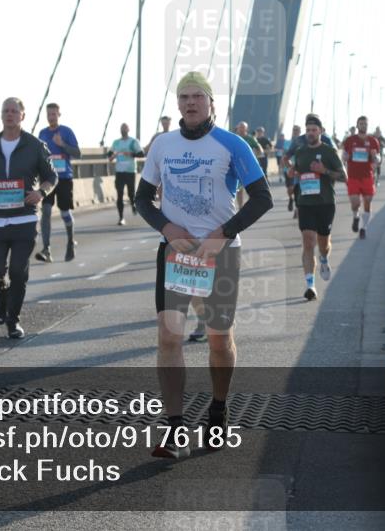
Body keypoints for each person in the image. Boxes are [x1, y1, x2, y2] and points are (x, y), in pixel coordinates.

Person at [135, 71, 272, 459]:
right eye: (184, 97)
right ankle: (175, 427)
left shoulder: (232, 144)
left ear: (211, 103)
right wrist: (166, 226)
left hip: (221, 254)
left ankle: (218, 409)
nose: (191, 102)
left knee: (218, 338)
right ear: (177, 104)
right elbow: (142, 200)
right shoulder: (163, 145)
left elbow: (262, 198)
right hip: (175, 252)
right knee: (168, 337)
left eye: (198, 96)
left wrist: (222, 234)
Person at [0, 98, 58, 338]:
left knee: (18, 271)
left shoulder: (35, 145)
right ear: (1, 116)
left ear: (22, 115)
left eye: (14, 111)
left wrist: (41, 192)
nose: (9, 114)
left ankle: (13, 321)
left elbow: (51, 176)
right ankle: (5, 298)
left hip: (24, 219)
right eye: (5, 111)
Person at [286, 115, 345, 301]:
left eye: (314, 130)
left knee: (323, 244)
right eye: (308, 130)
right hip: (305, 203)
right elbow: (296, 169)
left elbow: (344, 176)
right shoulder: (301, 151)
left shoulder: (329, 152)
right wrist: (292, 171)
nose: (310, 133)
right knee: (308, 241)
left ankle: (325, 259)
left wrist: (324, 171)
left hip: (325, 203)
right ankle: (310, 285)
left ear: (321, 131)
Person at [37, 103, 81, 262]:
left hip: (64, 178)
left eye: (54, 114)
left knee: (64, 212)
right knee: (46, 212)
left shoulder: (66, 132)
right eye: (49, 114)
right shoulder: (42, 133)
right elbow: (38, 156)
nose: (51, 117)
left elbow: (78, 154)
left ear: (59, 115)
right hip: (48, 179)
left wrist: (62, 144)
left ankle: (70, 241)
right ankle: (46, 249)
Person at [341, 115, 381, 239]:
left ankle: (364, 228)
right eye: (361, 124)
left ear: (368, 126)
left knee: (367, 201)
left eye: (365, 124)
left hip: (367, 176)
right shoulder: (349, 140)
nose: (363, 126)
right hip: (353, 176)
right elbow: (344, 155)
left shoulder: (373, 141)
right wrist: (345, 158)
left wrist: (375, 158)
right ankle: (356, 217)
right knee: (355, 203)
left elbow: (378, 158)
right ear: (357, 125)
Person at [109, 123, 144, 225]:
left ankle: (133, 204)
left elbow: (141, 154)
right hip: (119, 171)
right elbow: (110, 154)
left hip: (130, 171)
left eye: (125, 128)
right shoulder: (116, 142)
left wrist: (131, 154)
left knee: (131, 194)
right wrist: (112, 155)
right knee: (119, 194)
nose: (123, 130)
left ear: (128, 129)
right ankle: (121, 218)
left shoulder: (133, 141)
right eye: (121, 128)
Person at [234, 121, 262, 208]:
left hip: (249, 167)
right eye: (240, 127)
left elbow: (260, 150)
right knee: (239, 189)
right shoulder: (233, 138)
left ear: (246, 129)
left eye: (243, 127)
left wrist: (253, 156)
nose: (241, 129)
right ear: (237, 128)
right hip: (237, 167)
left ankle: (250, 206)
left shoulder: (250, 139)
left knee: (251, 188)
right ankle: (241, 207)